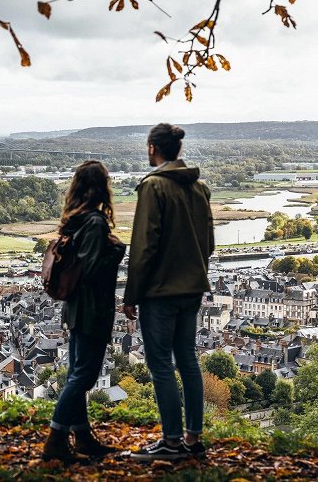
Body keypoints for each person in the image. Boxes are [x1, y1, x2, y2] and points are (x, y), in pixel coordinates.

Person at [123, 123, 214, 461]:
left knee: (160, 364)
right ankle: (193, 439)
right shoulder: (199, 188)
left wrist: (131, 294)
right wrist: (194, 273)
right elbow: (209, 244)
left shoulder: (154, 187)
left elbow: (144, 246)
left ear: (152, 149)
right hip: (192, 288)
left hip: (160, 292)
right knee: (188, 359)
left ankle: (171, 442)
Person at [42, 161, 126, 463]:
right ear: (101, 188)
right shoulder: (95, 223)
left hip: (75, 308)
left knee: (76, 374)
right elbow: (91, 271)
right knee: (83, 377)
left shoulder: (75, 221)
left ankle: (83, 436)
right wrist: (116, 252)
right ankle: (56, 439)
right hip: (92, 309)